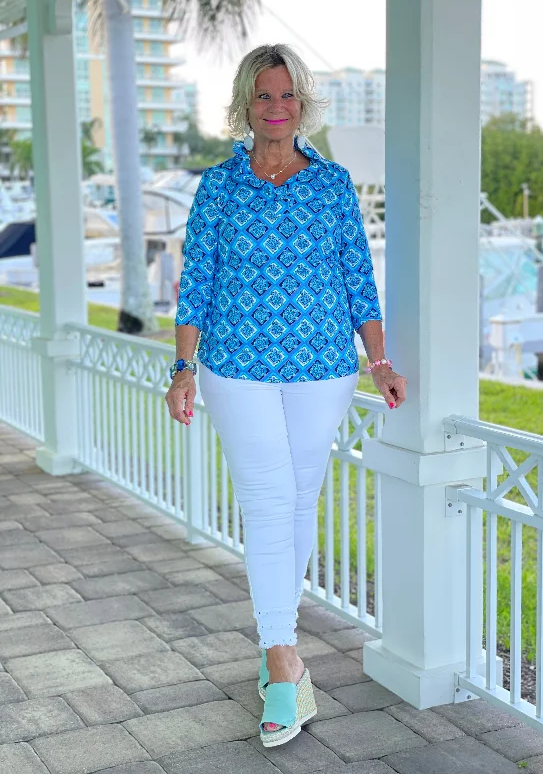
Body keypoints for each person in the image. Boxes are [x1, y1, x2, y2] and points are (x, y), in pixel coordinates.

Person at [166, 43, 406, 748]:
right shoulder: (218, 187)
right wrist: (182, 369)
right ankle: (281, 659)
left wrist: (380, 360)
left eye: (288, 96)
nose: (276, 109)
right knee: (269, 498)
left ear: (303, 103)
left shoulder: (331, 185)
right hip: (235, 366)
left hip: (322, 367)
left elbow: (358, 280)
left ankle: (286, 653)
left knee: (300, 498)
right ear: (245, 105)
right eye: (264, 97)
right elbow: (195, 285)